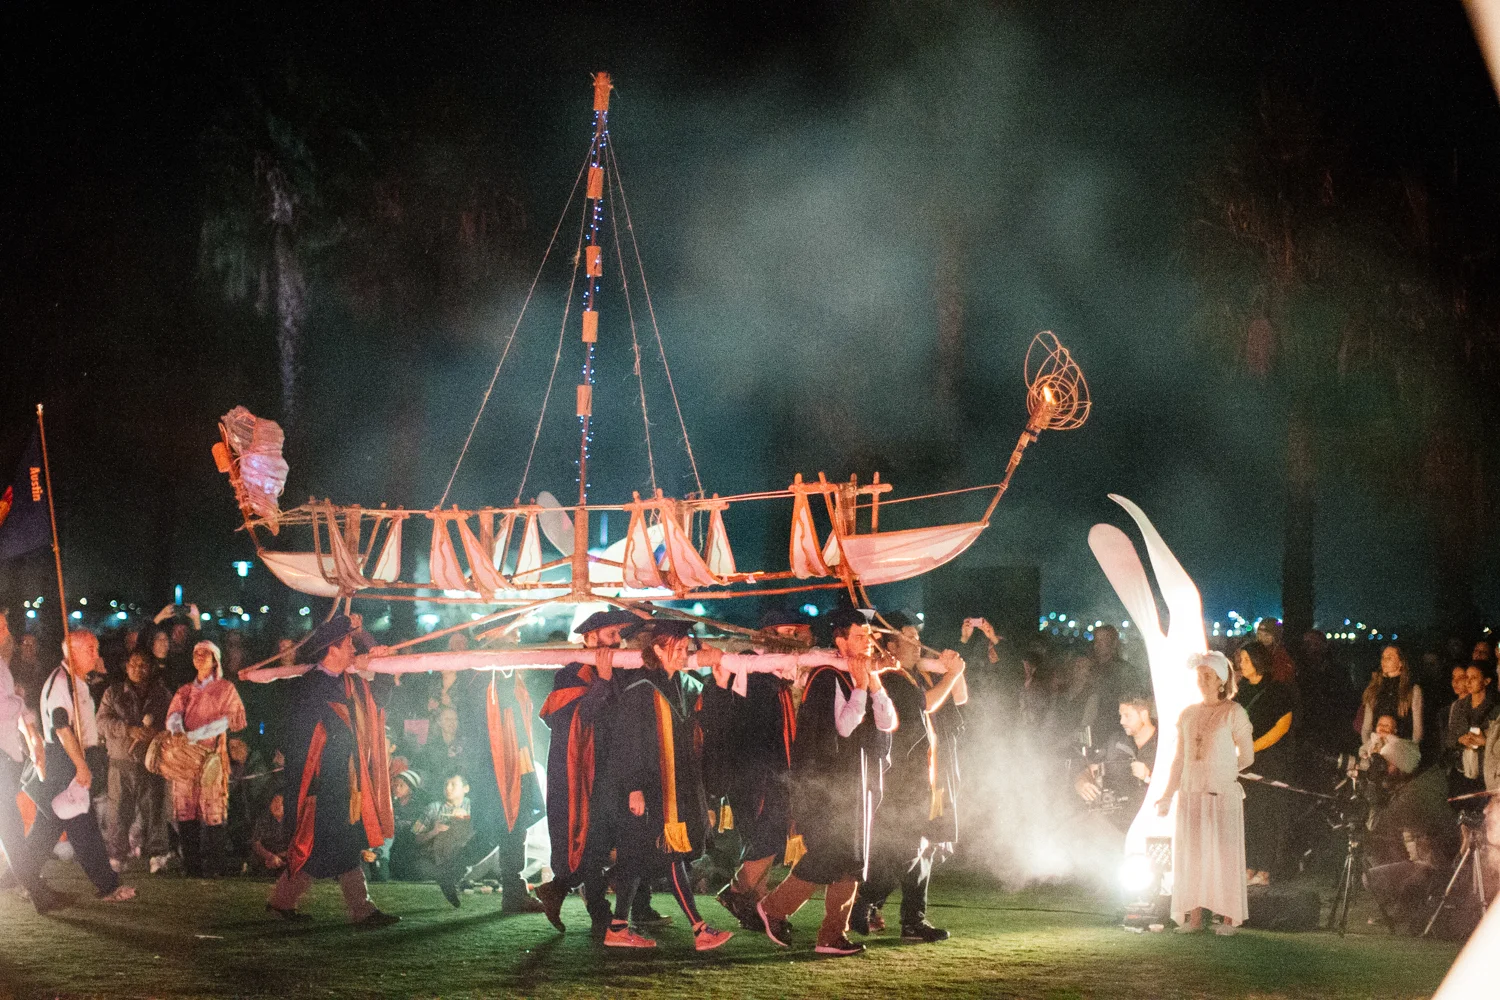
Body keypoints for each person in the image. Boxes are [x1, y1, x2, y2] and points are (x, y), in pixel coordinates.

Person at [584, 618, 732, 951]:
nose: (683, 654)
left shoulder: (682, 684)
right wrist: (634, 787)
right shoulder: (640, 688)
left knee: (640, 859)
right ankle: (698, 929)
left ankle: (621, 928)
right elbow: (627, 741)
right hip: (648, 787)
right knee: (666, 855)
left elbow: (707, 724)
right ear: (658, 650)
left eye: (685, 648)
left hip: (672, 787)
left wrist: (719, 685)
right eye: (677, 649)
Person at [758, 607, 898, 957]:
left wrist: (873, 683)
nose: (869, 643)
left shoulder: (858, 674)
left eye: (870, 637)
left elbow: (887, 723)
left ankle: (832, 935)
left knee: (852, 860)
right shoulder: (826, 676)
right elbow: (844, 728)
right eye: (860, 637)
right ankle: (773, 909)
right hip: (829, 788)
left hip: (856, 784)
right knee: (828, 856)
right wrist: (863, 686)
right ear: (840, 640)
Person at [268, 614, 399, 926]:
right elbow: (300, 741)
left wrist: (372, 646)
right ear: (333, 650)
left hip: (343, 782)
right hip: (320, 785)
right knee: (324, 847)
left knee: (335, 847)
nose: (353, 648)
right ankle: (359, 908)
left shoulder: (347, 683)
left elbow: (380, 697)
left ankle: (285, 902)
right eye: (349, 643)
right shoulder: (309, 689)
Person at [853, 611, 967, 943]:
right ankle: (865, 900)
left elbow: (960, 699)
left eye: (918, 637)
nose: (917, 644)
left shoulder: (911, 674)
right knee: (907, 847)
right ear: (888, 645)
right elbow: (927, 705)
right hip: (903, 778)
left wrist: (953, 670)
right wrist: (951, 675)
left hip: (926, 775)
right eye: (909, 638)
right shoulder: (890, 677)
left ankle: (910, 918)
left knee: (924, 846)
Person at [535, 609, 639, 933]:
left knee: (605, 843)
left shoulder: (617, 673)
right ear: (591, 639)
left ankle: (559, 889)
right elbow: (575, 721)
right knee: (590, 842)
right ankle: (598, 913)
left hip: (610, 770)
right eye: (611, 635)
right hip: (581, 773)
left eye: (619, 635)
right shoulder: (570, 675)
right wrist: (604, 682)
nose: (618, 641)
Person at [710, 608, 810, 931]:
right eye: (783, 633)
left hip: (774, 770)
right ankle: (738, 891)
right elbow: (743, 722)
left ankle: (754, 904)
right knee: (765, 835)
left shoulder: (779, 672)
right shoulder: (751, 665)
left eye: (794, 634)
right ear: (766, 634)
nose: (790, 640)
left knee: (771, 837)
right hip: (755, 771)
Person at [26, 630, 137, 903]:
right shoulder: (61, 684)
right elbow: (61, 728)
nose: (95, 655)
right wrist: (80, 766)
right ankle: (108, 886)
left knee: (47, 829)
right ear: (71, 652)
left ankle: (18, 877)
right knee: (82, 826)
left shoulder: (77, 682)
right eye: (90, 649)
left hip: (73, 758)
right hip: (65, 762)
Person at [432, 658, 546, 913]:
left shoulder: (498, 676)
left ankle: (454, 871)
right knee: (506, 826)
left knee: (503, 828)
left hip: (511, 761)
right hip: (494, 765)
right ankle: (510, 893)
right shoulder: (483, 677)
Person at [1156, 650, 1253, 935]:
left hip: (1220, 795)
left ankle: (1227, 918)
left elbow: (1247, 756)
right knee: (1194, 855)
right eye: (1199, 675)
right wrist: (1167, 795)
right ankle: (1195, 917)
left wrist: (1223, 771)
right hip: (1191, 793)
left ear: (1221, 681)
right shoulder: (1188, 714)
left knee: (1223, 855)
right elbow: (1179, 759)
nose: (1202, 680)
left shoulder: (1233, 712)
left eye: (1207, 675)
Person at [0, 612, 67, 912]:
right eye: (0, 626)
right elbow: (6, 705)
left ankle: (35, 888)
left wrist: (28, 726)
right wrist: (19, 705)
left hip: (7, 753)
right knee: (10, 827)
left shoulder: (3, 666)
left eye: (5, 625)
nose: (6, 632)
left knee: (10, 827)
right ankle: (36, 891)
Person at [165, 640, 248, 877]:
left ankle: (215, 866)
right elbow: (173, 715)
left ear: (215, 660)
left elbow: (231, 720)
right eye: (196, 653)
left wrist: (196, 735)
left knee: (213, 811)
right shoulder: (185, 690)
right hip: (186, 757)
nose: (199, 657)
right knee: (186, 808)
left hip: (212, 755)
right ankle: (191, 865)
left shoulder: (226, 689)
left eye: (205, 653)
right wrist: (179, 731)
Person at [96, 649, 172, 873]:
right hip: (121, 761)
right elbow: (101, 722)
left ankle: (158, 855)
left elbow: (172, 722)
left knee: (154, 810)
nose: (138, 669)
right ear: (126, 666)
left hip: (151, 762)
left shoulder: (161, 694)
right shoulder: (114, 692)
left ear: (151, 668)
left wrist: (156, 733)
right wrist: (127, 730)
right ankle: (117, 855)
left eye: (143, 665)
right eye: (134, 664)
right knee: (119, 811)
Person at [1233, 642, 1294, 885]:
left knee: (1267, 815)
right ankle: (1248, 865)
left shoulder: (1278, 690)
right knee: (1247, 814)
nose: (1242, 665)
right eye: (1241, 660)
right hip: (1243, 762)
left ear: (1259, 661)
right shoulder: (1241, 690)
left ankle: (1266, 868)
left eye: (1247, 660)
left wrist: (1252, 747)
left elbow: (1282, 726)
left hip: (1269, 761)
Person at [1075, 692, 1158, 830]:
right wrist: (1081, 783)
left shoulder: (1163, 743)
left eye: (1127, 716)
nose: (1121, 721)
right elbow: (1090, 770)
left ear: (1144, 714)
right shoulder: (1116, 741)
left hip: (1152, 821)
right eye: (1121, 716)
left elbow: (1179, 785)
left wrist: (1149, 776)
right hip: (1114, 824)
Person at [1443, 664, 1497, 805]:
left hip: (1484, 772)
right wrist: (1460, 739)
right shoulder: (1459, 707)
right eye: (1467, 677)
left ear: (1486, 681)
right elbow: (1449, 739)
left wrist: (1485, 741)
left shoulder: (1495, 709)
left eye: (1474, 678)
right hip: (1462, 771)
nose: (1468, 681)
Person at [1359, 644, 1424, 745]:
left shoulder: (1412, 690)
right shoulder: (1374, 689)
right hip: (1377, 748)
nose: (1384, 661)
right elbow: (1367, 726)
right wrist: (1368, 747)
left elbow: (1417, 728)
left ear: (1400, 663)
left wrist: (1411, 751)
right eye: (1383, 657)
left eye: (1389, 658)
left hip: (1402, 748)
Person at [249, 790, 292, 877]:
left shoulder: (292, 821)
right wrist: (270, 857)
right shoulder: (263, 820)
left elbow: (298, 843)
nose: (278, 806)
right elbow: (256, 843)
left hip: (286, 856)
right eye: (275, 802)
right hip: (266, 857)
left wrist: (281, 856)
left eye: (281, 803)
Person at [1253, 619, 1297, 685]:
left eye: (1267, 635)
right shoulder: (1253, 651)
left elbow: (1282, 679)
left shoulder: (1282, 655)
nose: (1262, 638)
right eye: (1259, 634)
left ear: (1276, 636)